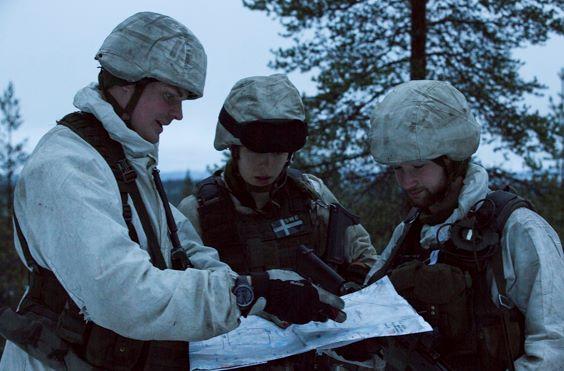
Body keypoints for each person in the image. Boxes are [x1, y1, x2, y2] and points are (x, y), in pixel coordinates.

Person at [0, 12, 346, 371]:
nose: (178, 114)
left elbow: (183, 249)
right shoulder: (67, 166)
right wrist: (251, 293)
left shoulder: (126, 161)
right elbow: (123, 293)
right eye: (169, 96)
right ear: (125, 85)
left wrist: (261, 294)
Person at [177, 74, 378, 369]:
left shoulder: (313, 196)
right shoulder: (199, 212)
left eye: (278, 153)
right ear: (234, 147)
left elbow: (363, 256)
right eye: (257, 152)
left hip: (313, 354)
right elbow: (184, 296)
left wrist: (352, 292)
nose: (266, 164)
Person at [364, 80, 563, 370]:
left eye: (418, 166)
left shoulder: (518, 229)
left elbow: (554, 345)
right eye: (398, 169)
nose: (407, 182)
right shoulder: (410, 232)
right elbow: (369, 313)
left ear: (452, 161)